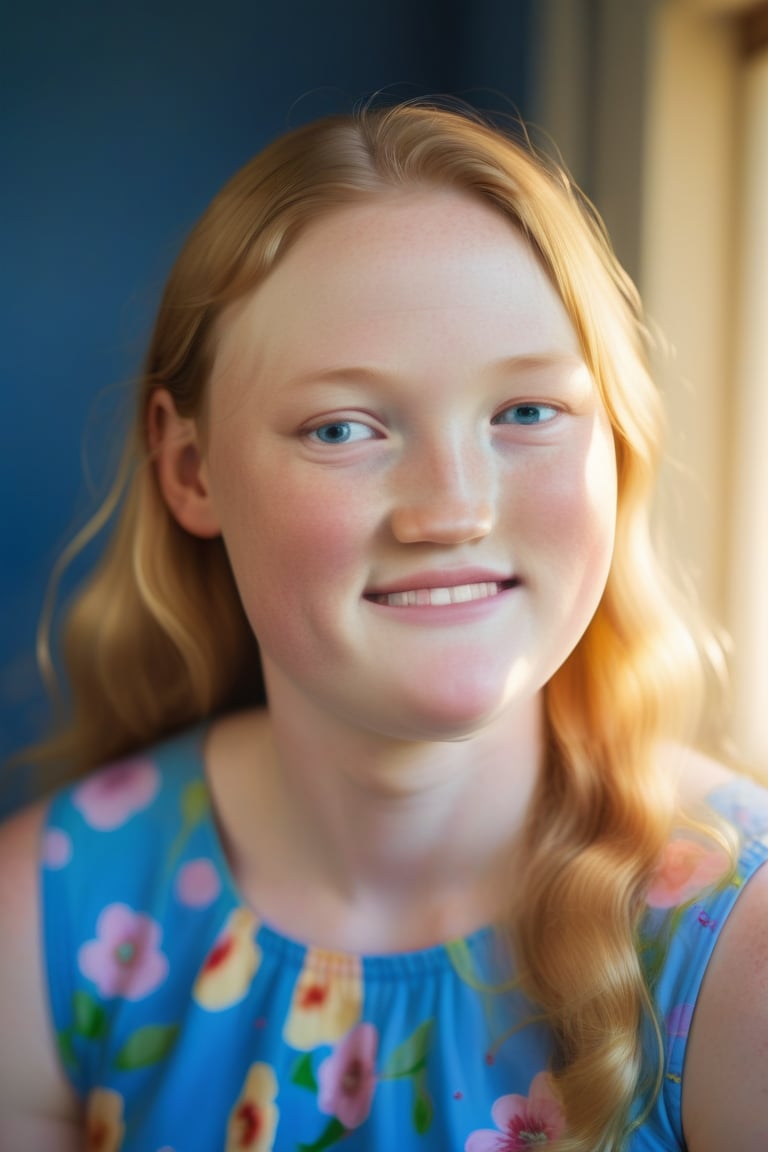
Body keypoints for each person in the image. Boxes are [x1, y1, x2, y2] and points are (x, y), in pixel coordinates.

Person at [1, 101, 766, 1152]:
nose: (452, 508)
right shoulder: (41, 926)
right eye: (344, 428)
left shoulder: (738, 953)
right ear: (190, 469)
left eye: (527, 412)